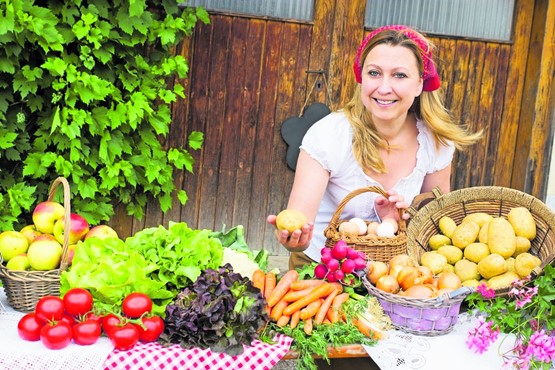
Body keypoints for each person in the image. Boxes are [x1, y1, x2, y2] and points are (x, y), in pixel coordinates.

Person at [268, 24, 482, 271]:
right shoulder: (329, 135)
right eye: (374, 73)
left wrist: (401, 219)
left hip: (395, 276)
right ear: (361, 78)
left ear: (419, 84)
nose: (383, 88)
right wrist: (294, 240)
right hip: (322, 271)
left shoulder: (436, 142)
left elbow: (436, 226)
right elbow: (298, 226)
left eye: (399, 75)